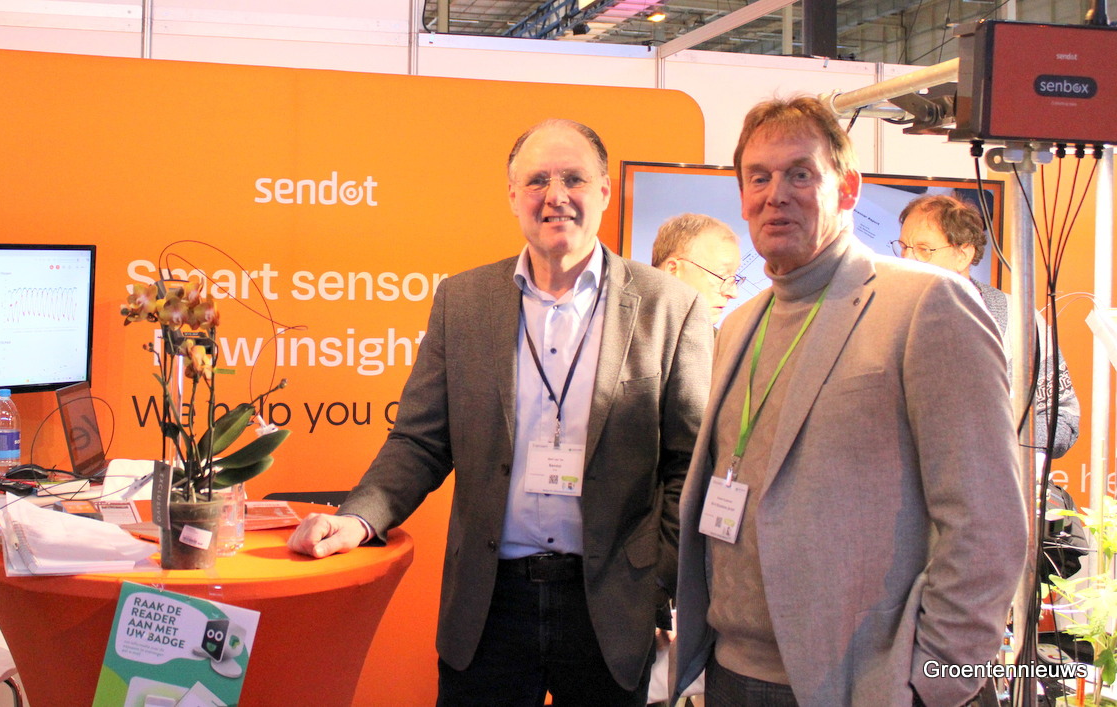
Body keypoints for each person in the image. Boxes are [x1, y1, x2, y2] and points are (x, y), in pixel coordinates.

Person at [288, 118, 713, 706]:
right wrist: (359, 519)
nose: (555, 196)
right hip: (489, 604)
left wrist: (658, 574)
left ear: (604, 191)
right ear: (513, 195)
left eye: (573, 179)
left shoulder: (671, 307)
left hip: (612, 605)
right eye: (537, 180)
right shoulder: (463, 302)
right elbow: (419, 440)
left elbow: (689, 462)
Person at [673, 96, 1028, 707]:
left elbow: (987, 523)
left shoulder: (926, 305)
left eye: (800, 174)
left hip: (859, 683)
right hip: (729, 672)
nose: (775, 194)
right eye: (758, 177)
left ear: (848, 189)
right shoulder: (739, 324)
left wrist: (934, 683)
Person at [896, 193, 1080, 458]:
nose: (907, 259)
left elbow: (1063, 421)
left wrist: (994, 430)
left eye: (924, 249)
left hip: (991, 477)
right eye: (904, 247)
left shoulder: (1019, 321)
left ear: (963, 253)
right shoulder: (882, 315)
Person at [652, 213, 744, 326]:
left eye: (734, 279)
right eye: (721, 276)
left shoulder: (723, 337)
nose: (733, 293)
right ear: (672, 270)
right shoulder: (632, 332)